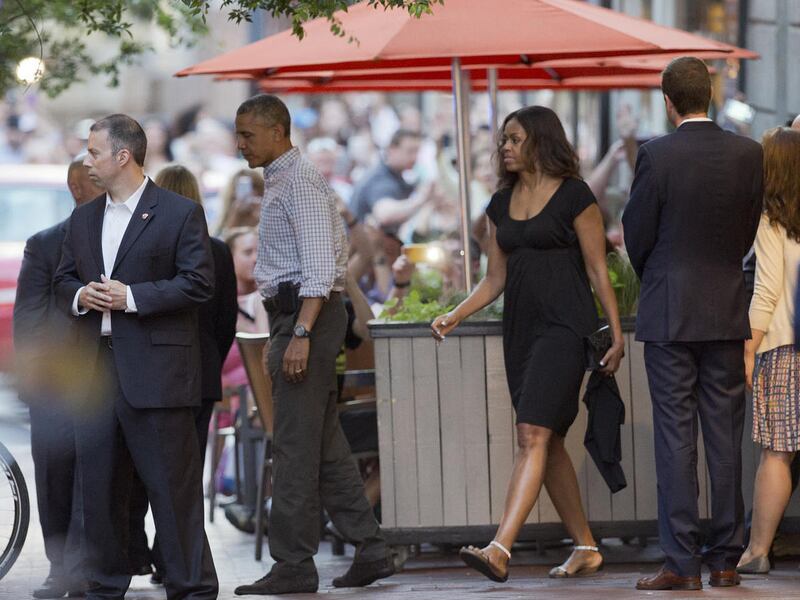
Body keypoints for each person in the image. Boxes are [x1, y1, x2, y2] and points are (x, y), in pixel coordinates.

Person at [431, 105, 625, 583]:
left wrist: (615, 334)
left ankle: (500, 548)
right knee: (550, 440)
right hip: (520, 330)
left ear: (540, 140)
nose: (505, 147)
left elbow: (599, 268)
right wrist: (456, 312)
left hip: (566, 326)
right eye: (503, 140)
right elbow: (494, 278)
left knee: (532, 434)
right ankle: (585, 546)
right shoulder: (500, 203)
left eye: (514, 139)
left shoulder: (576, 196)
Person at [231, 94, 394, 596]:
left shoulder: (298, 181)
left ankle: (295, 564)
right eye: (238, 135)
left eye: (248, 135)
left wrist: (300, 332)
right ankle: (372, 549)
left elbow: (321, 269)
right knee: (322, 446)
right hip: (303, 317)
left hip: (305, 319)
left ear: (278, 132)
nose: (240, 145)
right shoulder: (284, 177)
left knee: (296, 447)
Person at [53, 114, 218, 600]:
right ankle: (104, 585)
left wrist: (134, 297)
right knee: (99, 493)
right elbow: (62, 279)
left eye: (94, 152)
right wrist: (83, 295)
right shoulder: (83, 217)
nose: (88, 161)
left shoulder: (178, 213)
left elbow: (199, 283)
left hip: (158, 376)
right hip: (96, 373)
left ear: (122, 156)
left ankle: (191, 588)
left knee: (173, 493)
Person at [622, 57, 763, 591]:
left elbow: (637, 230)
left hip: (669, 310)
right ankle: (726, 558)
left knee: (675, 436)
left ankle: (682, 563)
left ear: (667, 100)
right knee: (725, 436)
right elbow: (748, 226)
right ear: (710, 93)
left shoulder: (655, 155)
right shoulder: (749, 154)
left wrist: (658, 274)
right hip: (726, 307)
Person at [124, 164, 238, 584]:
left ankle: (151, 553)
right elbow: (227, 321)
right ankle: (171, 557)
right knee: (187, 475)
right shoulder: (217, 250)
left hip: (152, 375)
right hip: (203, 375)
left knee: (148, 469)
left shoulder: (144, 250)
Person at [13, 158, 101, 599]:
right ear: (75, 187)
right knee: (53, 476)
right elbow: (27, 317)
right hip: (55, 382)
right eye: (93, 178)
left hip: (105, 381)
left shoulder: (120, 238)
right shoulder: (44, 244)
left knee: (96, 477)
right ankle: (59, 566)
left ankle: (82, 568)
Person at [737, 128, 800, 574]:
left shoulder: (772, 220)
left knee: (777, 453)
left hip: (784, 349)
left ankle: (758, 550)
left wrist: (747, 348)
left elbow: (766, 292)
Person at [350, 128, 434, 235]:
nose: (415, 157)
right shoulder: (380, 179)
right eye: (410, 151)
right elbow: (384, 215)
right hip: (362, 249)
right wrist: (421, 198)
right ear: (392, 150)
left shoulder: (397, 176)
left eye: (417, 151)